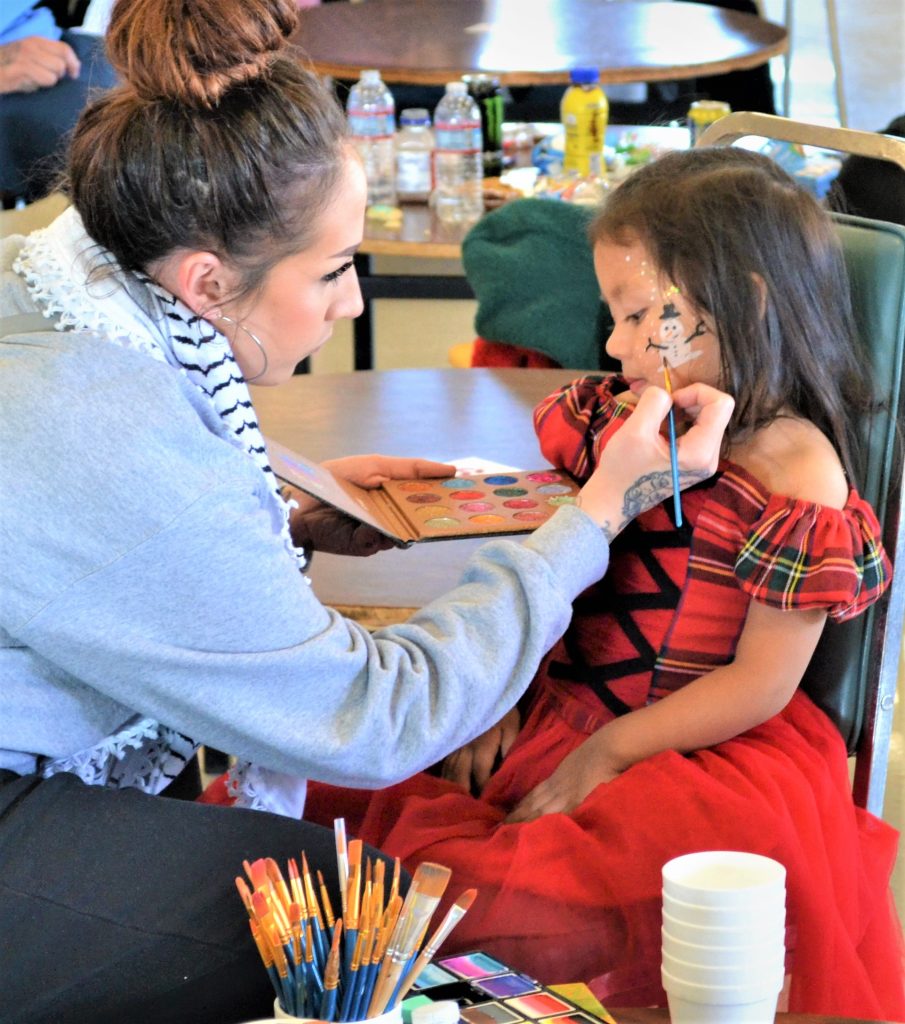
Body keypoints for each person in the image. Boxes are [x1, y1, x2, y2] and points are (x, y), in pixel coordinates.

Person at [0, 0, 735, 1019]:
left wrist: (280, 514)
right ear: (207, 281)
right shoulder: (106, 428)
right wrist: (597, 513)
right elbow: (376, 715)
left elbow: (86, 546)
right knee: (347, 919)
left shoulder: (57, 259)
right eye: (335, 269)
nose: (351, 302)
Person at [304, 147, 905, 1020]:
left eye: (636, 318)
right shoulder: (623, 421)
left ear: (748, 303)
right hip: (562, 700)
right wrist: (501, 688)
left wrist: (610, 753)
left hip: (698, 749)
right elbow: (564, 570)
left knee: (535, 899)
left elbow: (759, 682)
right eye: (611, 318)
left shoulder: (795, 474)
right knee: (342, 803)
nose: (616, 347)